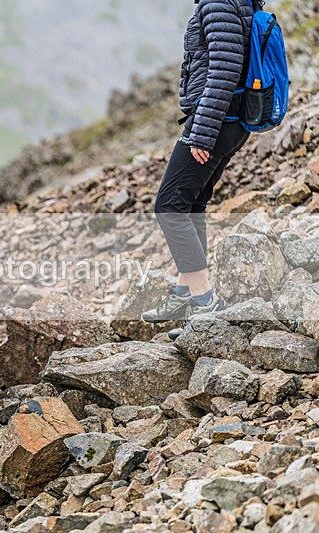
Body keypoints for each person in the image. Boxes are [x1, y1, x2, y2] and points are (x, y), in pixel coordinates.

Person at [142, 0, 256, 333]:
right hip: (230, 121)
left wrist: (202, 134)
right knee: (192, 205)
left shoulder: (218, 1)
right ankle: (184, 293)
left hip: (216, 123)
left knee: (169, 206)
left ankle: (205, 302)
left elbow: (225, 70)